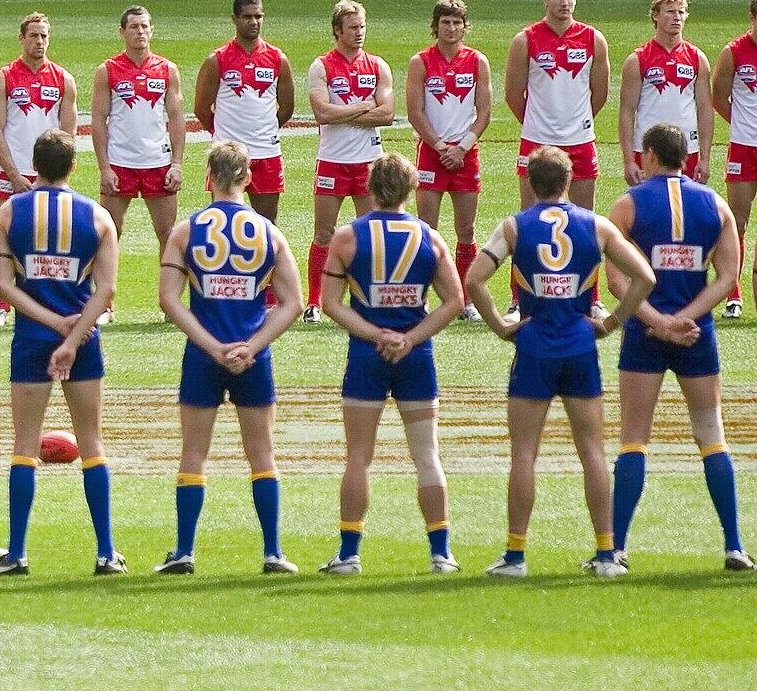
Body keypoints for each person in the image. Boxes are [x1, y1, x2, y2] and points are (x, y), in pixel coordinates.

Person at [463, 145, 656, 578]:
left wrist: (498, 324)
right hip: (579, 348)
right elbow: (645, 277)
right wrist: (613, 323)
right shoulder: (598, 226)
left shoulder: (514, 227)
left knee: (524, 456)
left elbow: (474, 278)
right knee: (592, 453)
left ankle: (515, 555)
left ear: (531, 184)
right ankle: (607, 554)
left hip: (532, 349)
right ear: (569, 182)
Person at [155, 139, 305, 575]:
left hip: (204, 356)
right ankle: (273, 551)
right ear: (247, 178)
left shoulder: (186, 230)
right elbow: (293, 303)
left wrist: (210, 345)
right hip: (252, 357)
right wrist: (251, 347)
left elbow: (169, 299)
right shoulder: (269, 232)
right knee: (262, 454)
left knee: (193, 454)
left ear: (208, 178)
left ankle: (184, 551)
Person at [605, 125, 749, 572]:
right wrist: (688, 317)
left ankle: (617, 550)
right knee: (712, 436)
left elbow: (615, 280)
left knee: (634, 438)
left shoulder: (627, 205)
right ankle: (734, 546)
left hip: (645, 336)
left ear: (648, 156)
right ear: (686, 157)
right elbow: (728, 276)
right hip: (696, 334)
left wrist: (657, 322)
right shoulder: (717, 205)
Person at [315, 153, 466, 575]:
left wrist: (375, 334)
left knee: (358, 458)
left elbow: (330, 304)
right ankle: (441, 553)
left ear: (369, 187)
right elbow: (453, 301)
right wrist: (410, 337)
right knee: (427, 455)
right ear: (412, 189)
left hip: (366, 355)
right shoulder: (431, 239)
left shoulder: (347, 238)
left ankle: (348, 554)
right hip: (416, 356)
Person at [0, 129, 122, 575]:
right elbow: (106, 289)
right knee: (92, 443)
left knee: (25, 444)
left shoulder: (10, 212)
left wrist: (51, 327)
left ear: (35, 165)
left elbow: (4, 285)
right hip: (84, 340)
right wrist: (72, 337)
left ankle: (17, 552)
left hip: (31, 338)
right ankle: (106, 552)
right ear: (73, 167)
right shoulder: (98, 216)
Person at [92, 6, 186, 323]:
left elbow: (176, 119)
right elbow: (98, 121)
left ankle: (169, 306)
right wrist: (104, 167)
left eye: (145, 26)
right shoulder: (108, 70)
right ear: (122, 32)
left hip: (158, 163)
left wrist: (177, 163)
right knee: (109, 234)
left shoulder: (166, 69)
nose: (140, 32)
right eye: (133, 27)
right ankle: (105, 306)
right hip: (121, 163)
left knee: (168, 235)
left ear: (152, 30)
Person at [0, 12, 78, 326]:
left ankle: (46, 301)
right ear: (22, 38)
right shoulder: (4, 78)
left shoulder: (63, 79)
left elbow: (68, 134)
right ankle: (1, 306)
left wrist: (58, 176)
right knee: (8, 237)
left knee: (49, 239)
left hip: (50, 176)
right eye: (33, 36)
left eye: (44, 36)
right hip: (14, 174)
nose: (39, 42)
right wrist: (13, 174)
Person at [304, 0, 394, 321]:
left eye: (362, 27)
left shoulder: (378, 65)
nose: (359, 33)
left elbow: (387, 114)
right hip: (331, 160)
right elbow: (322, 113)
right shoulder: (322, 66)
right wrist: (363, 108)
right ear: (337, 30)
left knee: (371, 233)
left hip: (370, 162)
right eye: (353, 28)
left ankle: (366, 298)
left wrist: (345, 112)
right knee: (324, 234)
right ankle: (314, 303)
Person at [407, 0, 490, 319]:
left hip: (465, 155)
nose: (451, 28)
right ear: (436, 26)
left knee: (466, 230)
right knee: (427, 229)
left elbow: (483, 112)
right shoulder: (421, 62)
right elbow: (415, 112)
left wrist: (462, 147)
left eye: (457, 22)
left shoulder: (477, 61)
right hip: (432, 154)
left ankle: (465, 301)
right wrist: (441, 147)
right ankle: (422, 298)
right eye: (445, 22)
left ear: (465, 26)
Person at [505, 0, 610, 215]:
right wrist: (535, 122)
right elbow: (512, 93)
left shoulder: (593, 39)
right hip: (536, 140)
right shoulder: (525, 40)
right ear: (546, 0)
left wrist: (577, 121)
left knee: (584, 217)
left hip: (581, 141)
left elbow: (601, 93)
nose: (565, 3)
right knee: (531, 215)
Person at [194, 0, 294, 222]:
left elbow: (287, 107)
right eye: (247, 16)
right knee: (222, 221)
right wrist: (223, 134)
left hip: (266, 153)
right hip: (227, 155)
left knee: (268, 224)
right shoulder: (217, 60)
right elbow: (202, 108)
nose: (254, 22)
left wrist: (264, 129)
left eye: (259, 16)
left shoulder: (278, 59)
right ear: (235, 19)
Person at [619, 0, 709, 187]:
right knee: (650, 212)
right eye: (670, 12)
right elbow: (627, 111)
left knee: (686, 212)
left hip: (688, 148)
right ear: (655, 15)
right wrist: (628, 161)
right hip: (649, 150)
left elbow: (704, 109)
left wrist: (705, 158)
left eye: (681, 12)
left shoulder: (697, 58)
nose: (677, 17)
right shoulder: (637, 59)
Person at [711, 0, 757, 318]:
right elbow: (717, 97)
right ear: (752, 18)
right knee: (737, 222)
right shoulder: (733, 52)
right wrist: (741, 124)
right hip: (743, 147)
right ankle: (733, 293)